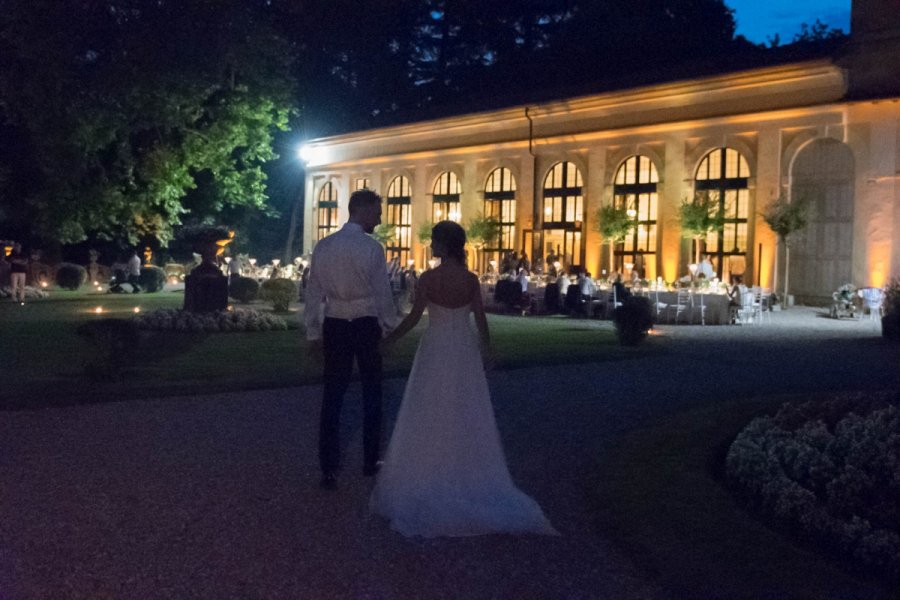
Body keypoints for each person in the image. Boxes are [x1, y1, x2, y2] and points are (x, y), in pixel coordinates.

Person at [372, 221, 556, 538]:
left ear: (445, 246)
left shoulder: (429, 278)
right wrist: (487, 351)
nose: (430, 246)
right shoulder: (470, 280)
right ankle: (470, 471)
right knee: (466, 408)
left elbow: (415, 318)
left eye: (434, 242)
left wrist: (390, 340)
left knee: (428, 407)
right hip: (463, 349)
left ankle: (425, 471)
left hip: (435, 347)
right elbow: (480, 320)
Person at [305, 189, 400, 491]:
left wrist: (312, 331)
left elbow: (313, 292)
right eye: (377, 212)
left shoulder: (324, 246)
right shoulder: (371, 248)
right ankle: (370, 461)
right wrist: (389, 327)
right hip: (364, 322)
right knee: (372, 393)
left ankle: (328, 468)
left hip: (335, 323)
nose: (380, 218)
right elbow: (382, 292)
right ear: (361, 211)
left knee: (332, 396)